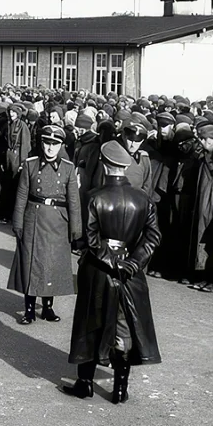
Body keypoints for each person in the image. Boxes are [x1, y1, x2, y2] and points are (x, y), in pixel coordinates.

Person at [63, 141, 162, 404]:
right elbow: (153, 236)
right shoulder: (144, 199)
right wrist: (133, 262)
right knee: (123, 327)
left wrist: (112, 261)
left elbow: (90, 238)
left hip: (98, 270)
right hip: (130, 270)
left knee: (90, 322)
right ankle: (120, 388)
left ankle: (85, 383)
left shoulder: (94, 197)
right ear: (125, 167)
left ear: (105, 165)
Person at [7, 125, 82, 325]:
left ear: (61, 145)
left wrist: (76, 228)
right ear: (42, 144)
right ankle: (29, 309)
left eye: (55, 144)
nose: (50, 148)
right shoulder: (30, 164)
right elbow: (21, 195)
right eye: (47, 143)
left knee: (53, 265)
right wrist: (18, 222)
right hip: (34, 218)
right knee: (32, 264)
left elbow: (74, 200)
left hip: (58, 221)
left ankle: (48, 307)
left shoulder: (67, 168)